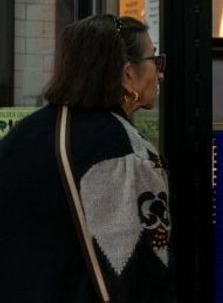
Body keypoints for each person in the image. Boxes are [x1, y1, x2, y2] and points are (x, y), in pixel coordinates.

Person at [0, 15, 169, 302]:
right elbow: (142, 270)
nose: (161, 73)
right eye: (155, 60)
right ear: (128, 75)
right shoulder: (125, 152)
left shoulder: (23, 135)